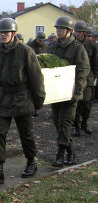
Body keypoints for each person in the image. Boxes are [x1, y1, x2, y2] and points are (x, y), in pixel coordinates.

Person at [0, 18, 45, 184]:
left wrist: (38, 102)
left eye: (5, 32)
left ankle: (31, 162)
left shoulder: (26, 51)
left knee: (26, 133)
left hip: (21, 96)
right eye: (0, 33)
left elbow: (36, 78)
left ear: (14, 33)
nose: (2, 35)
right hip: (3, 96)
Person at [47, 16, 89, 167]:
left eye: (61, 29)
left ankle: (60, 154)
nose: (58, 31)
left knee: (65, 123)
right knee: (58, 123)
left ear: (69, 31)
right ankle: (71, 151)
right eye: (57, 28)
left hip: (70, 93)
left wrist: (76, 94)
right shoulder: (53, 47)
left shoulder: (78, 48)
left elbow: (83, 71)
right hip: (56, 93)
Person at [72, 20, 98, 138]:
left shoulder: (91, 45)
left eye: (80, 32)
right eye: (76, 31)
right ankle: (76, 126)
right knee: (76, 103)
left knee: (87, 103)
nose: (77, 34)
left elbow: (95, 63)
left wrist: (94, 76)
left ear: (84, 32)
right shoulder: (72, 44)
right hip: (75, 77)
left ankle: (85, 123)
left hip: (88, 78)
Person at [27, 31, 48, 117]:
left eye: (42, 40)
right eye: (39, 40)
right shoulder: (30, 46)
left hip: (43, 69)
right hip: (32, 69)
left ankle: (37, 106)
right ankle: (33, 108)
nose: (40, 42)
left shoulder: (46, 47)